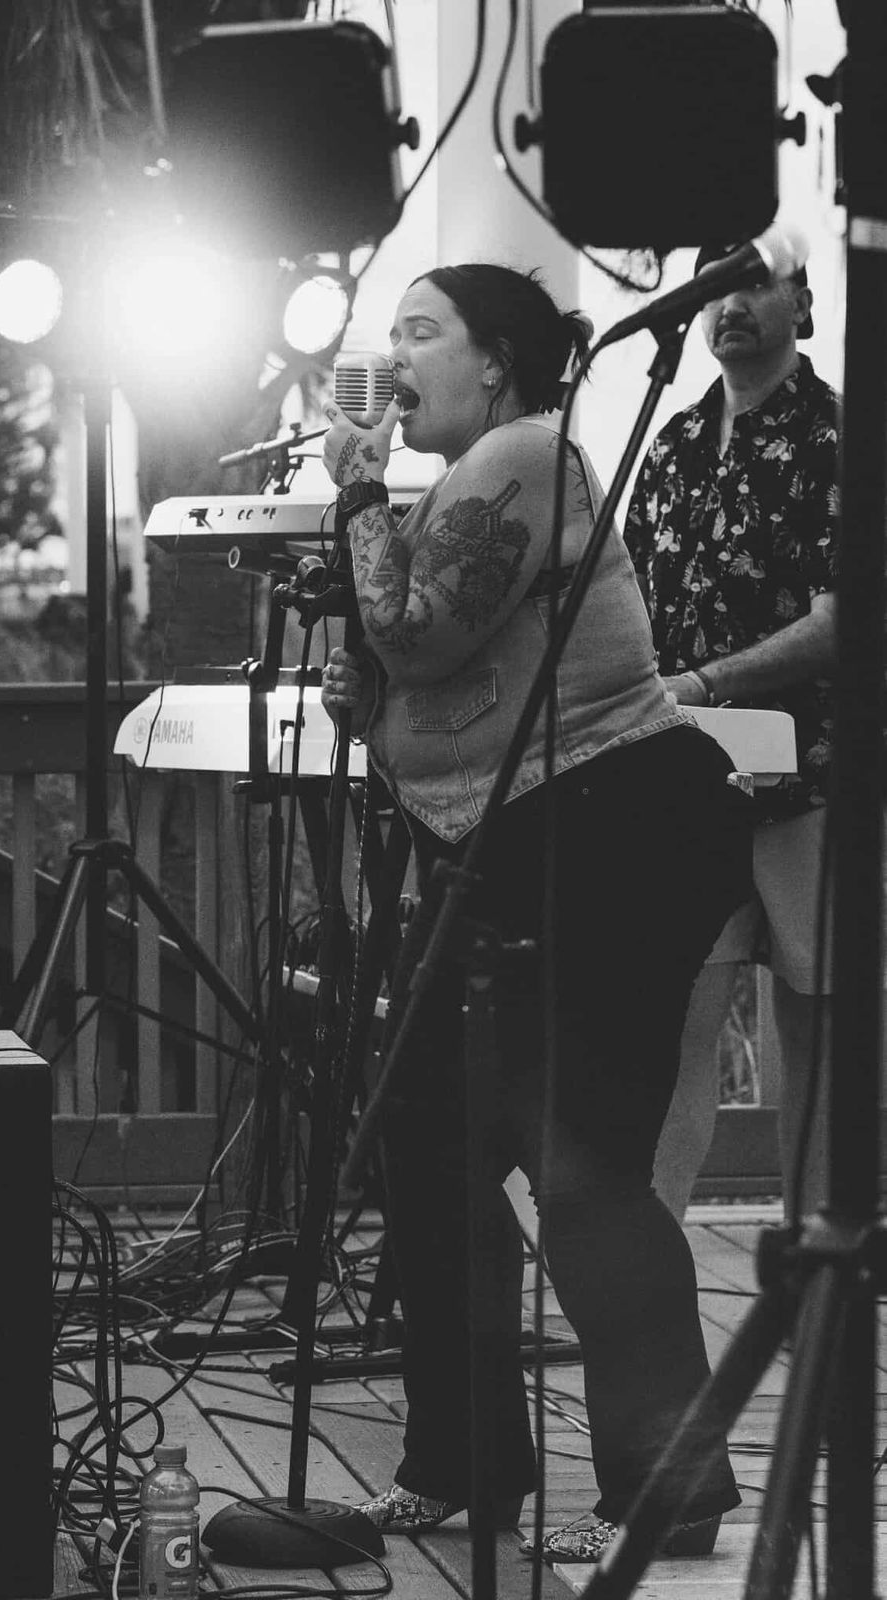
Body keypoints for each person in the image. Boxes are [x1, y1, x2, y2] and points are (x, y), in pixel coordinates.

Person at [317, 263, 752, 1562]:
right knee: (429, 1142)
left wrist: (354, 494)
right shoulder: (454, 483)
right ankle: (463, 1461)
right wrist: (369, 706)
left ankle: (667, 1490)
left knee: (580, 1168)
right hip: (508, 846)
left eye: (419, 331)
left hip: (610, 829)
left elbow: (416, 633)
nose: (393, 357)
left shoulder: (523, 455)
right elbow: (430, 693)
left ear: (495, 360)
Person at [624, 243, 841, 1223]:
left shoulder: (843, 435)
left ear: (801, 299)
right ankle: (648, 1267)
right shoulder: (671, 440)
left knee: (817, 1036)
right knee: (676, 1026)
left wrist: (704, 682)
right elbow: (622, 607)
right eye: (714, 289)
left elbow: (845, 623)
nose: (731, 305)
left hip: (815, 778)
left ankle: (818, 1265)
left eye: (752, 282)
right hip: (686, 784)